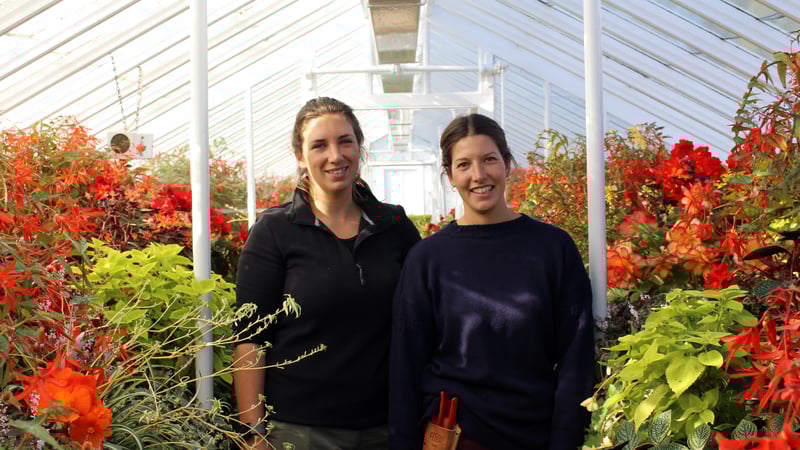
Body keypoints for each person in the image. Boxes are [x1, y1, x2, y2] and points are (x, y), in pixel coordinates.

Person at [388, 113, 595, 450]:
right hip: (457, 436)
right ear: (450, 176)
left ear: (508, 164)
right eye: (464, 165)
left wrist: (565, 440)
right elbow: (405, 369)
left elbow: (576, 356)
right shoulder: (428, 259)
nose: (478, 175)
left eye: (489, 160)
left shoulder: (552, 249)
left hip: (535, 434)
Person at [233, 97, 421, 450]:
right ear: (301, 158)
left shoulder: (393, 225)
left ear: (359, 148)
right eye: (319, 145)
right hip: (300, 431)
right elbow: (250, 339)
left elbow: (422, 319)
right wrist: (252, 435)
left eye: (345, 141)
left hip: (388, 426)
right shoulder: (275, 231)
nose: (335, 156)